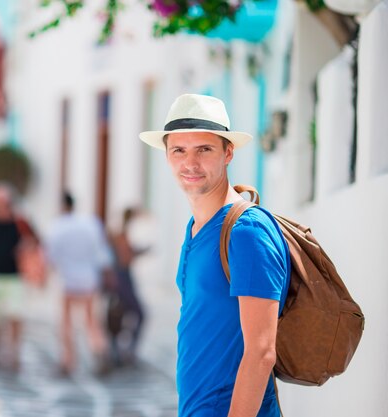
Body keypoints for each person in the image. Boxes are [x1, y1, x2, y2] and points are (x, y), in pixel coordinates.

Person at [139, 94, 290, 416]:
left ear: (228, 152)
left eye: (204, 149)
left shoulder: (246, 232)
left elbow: (262, 351)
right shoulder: (197, 226)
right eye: (178, 150)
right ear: (166, 156)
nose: (190, 163)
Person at [45, 191, 111, 376]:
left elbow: (50, 256)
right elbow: (101, 253)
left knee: (66, 322)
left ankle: (67, 360)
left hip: (67, 280)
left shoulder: (57, 227)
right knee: (91, 320)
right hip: (89, 278)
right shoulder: (90, 223)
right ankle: (99, 351)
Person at [0, 182, 36, 372]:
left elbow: (35, 241)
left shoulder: (19, 223)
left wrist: (25, 248)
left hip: (14, 277)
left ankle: (15, 355)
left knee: (15, 316)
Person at [107, 207, 148, 366]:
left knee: (121, 314)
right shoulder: (121, 235)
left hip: (122, 277)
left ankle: (120, 350)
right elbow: (124, 257)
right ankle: (125, 350)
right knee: (136, 313)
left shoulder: (121, 234)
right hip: (122, 278)